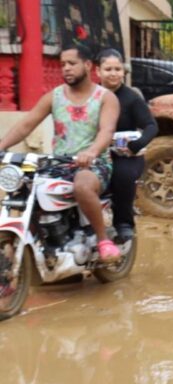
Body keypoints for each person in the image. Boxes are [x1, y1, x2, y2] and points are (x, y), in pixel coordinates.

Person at [0, 44, 121, 261]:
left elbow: (107, 130)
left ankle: (103, 239)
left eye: (71, 63)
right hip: (58, 164)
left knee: (82, 186)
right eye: (63, 64)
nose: (66, 68)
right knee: (24, 187)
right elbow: (26, 125)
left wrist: (92, 152)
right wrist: (1, 145)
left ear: (87, 65)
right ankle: (46, 243)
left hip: (94, 164)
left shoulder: (105, 97)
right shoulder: (54, 97)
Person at [96, 48, 158, 241]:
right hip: (95, 152)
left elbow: (151, 126)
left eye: (117, 68)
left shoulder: (131, 98)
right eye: (108, 69)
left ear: (123, 71)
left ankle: (124, 223)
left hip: (125, 155)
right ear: (98, 71)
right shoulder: (91, 96)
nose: (113, 73)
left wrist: (136, 145)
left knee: (122, 176)